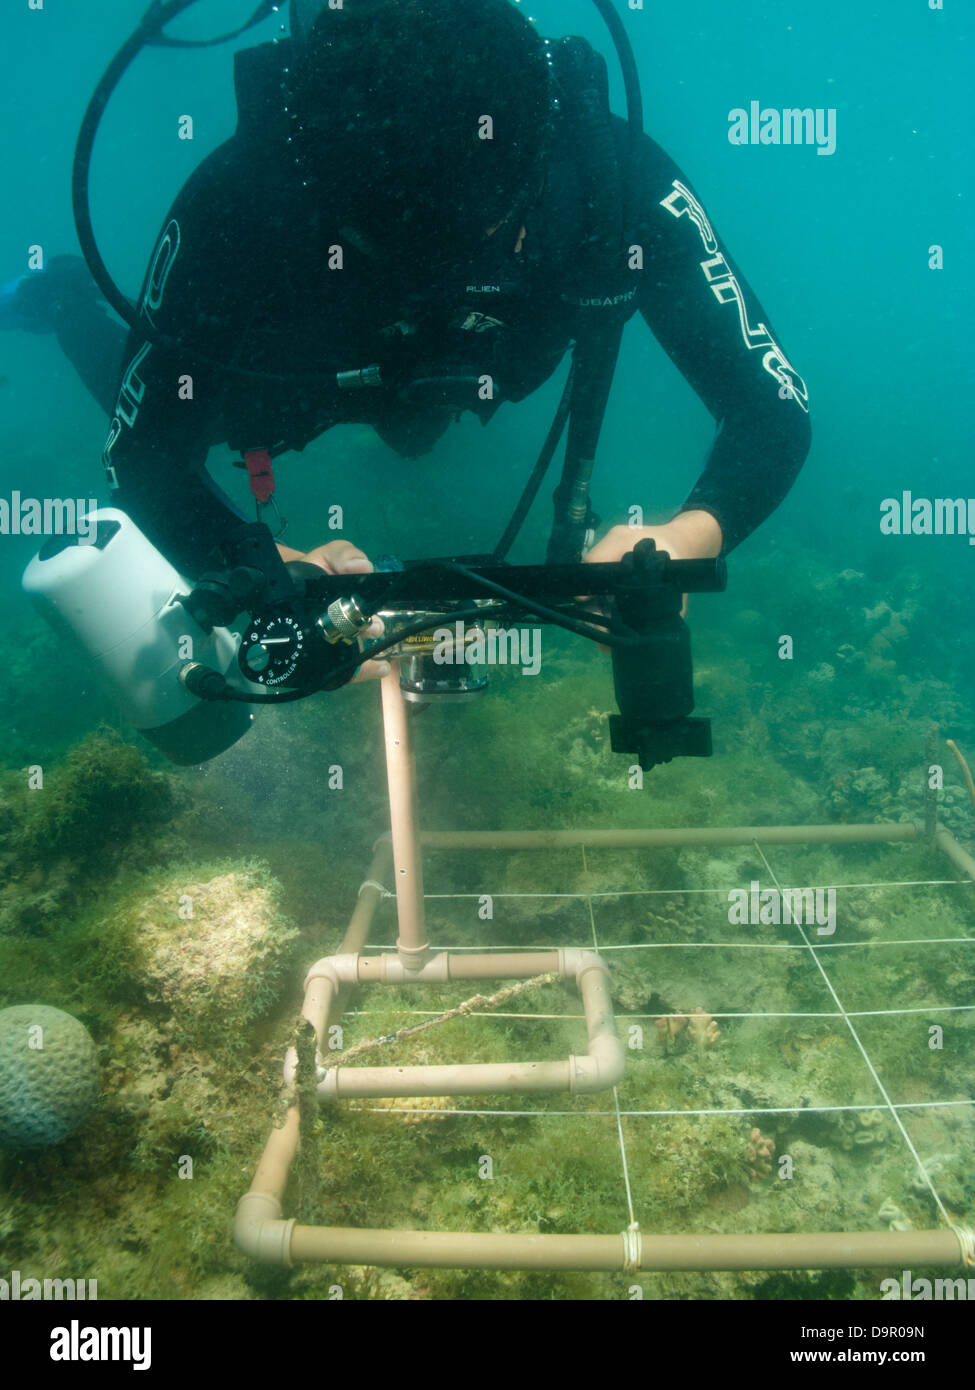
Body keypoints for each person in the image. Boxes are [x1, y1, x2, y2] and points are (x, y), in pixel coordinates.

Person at [5, 0, 810, 684]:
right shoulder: (245, 195)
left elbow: (769, 406)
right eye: (391, 252)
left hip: (479, 373)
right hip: (297, 384)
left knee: (418, 431)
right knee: (147, 393)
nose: (441, 278)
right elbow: (143, 450)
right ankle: (66, 295)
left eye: (485, 237)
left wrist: (684, 535)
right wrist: (258, 556)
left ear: (534, 154)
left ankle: (419, 404)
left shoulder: (609, 174)